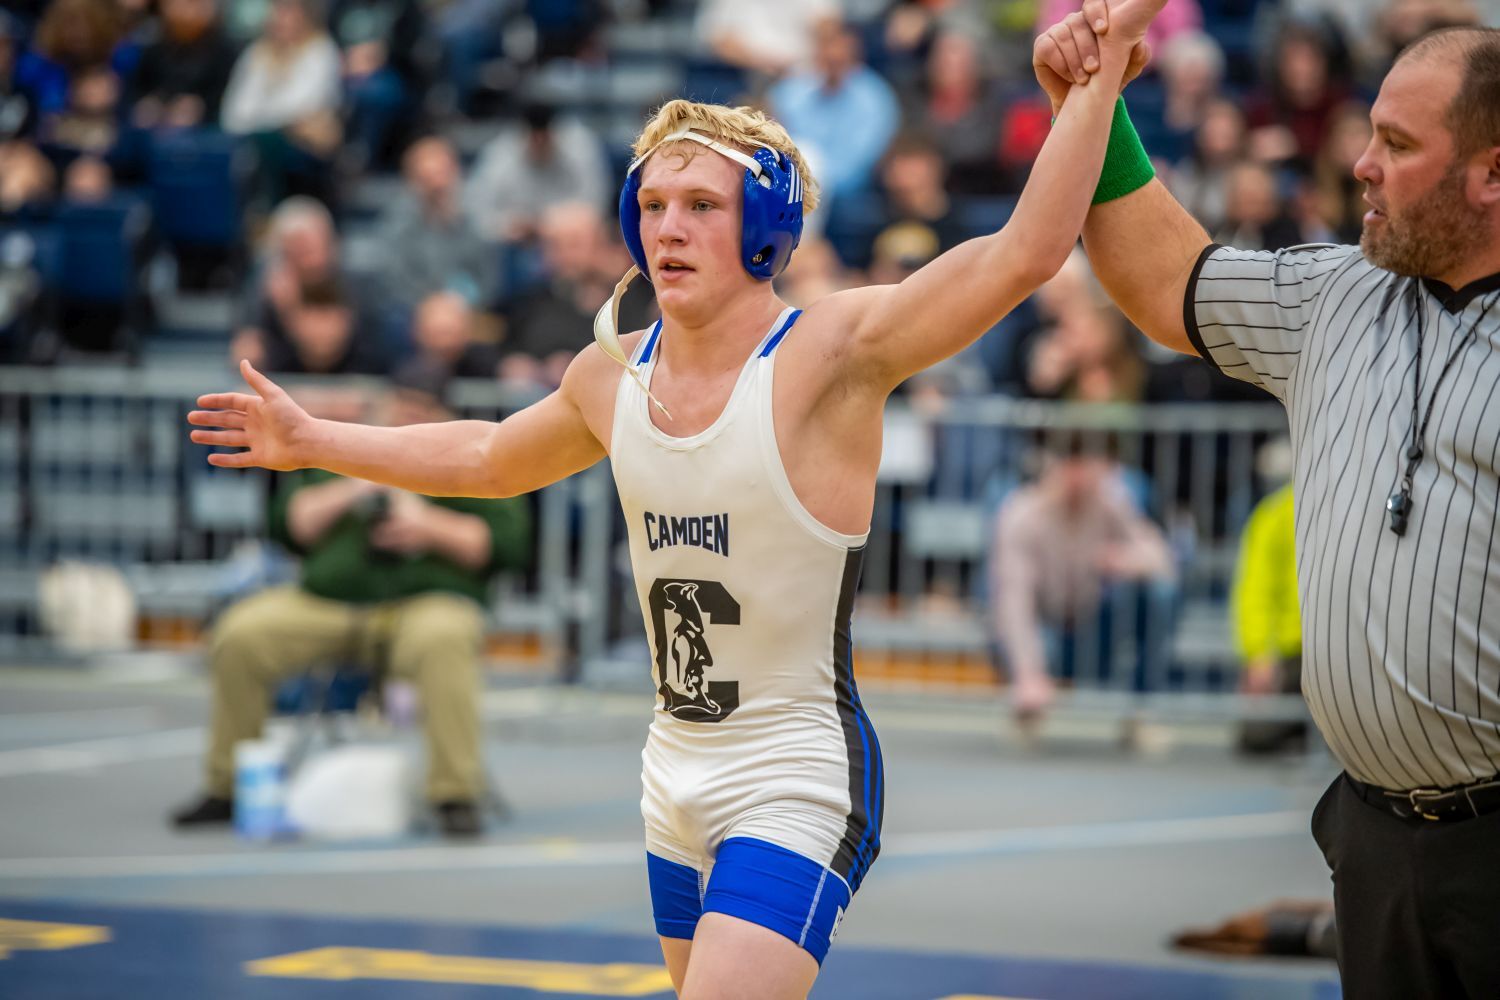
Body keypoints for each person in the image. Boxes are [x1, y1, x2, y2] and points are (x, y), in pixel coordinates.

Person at [187, 1, 1163, 989]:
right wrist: (314, 439)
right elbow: (487, 456)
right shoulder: (611, 374)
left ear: (766, 226)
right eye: (652, 206)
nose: (669, 228)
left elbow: (1023, 254)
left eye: (701, 204)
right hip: (673, 774)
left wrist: (1097, 82)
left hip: (795, 771)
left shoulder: (825, 354)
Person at [1040, 13, 1500, 998]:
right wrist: (1098, 104)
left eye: (1401, 145)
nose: (1363, 164)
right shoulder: (1336, 296)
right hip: (1374, 840)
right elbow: (1162, 278)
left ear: (1492, 176)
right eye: (1370, 132)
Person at [172, 370, 532, 836]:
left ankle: (454, 794)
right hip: (327, 602)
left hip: (425, 604)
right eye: (402, 401)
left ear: (445, 415)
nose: (410, 413)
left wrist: (427, 527)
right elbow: (290, 525)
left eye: (423, 406)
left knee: (446, 636)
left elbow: (505, 547)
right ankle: (227, 785)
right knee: (243, 632)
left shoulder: (470, 459)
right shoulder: (342, 448)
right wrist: (361, 484)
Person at [989, 434, 1176, 724]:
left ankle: (1142, 711)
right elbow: (1014, 601)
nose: (1076, 475)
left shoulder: (1110, 503)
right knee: (1005, 608)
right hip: (1044, 627)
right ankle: (1028, 694)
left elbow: (1162, 559)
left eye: (1084, 461)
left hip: (1091, 625)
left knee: (1161, 593)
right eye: (1069, 461)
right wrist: (1028, 671)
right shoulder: (1022, 514)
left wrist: (1123, 560)